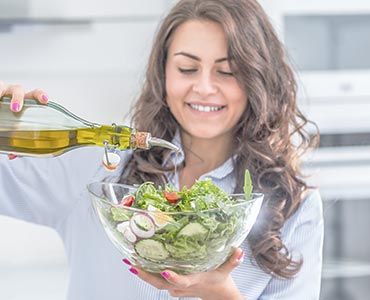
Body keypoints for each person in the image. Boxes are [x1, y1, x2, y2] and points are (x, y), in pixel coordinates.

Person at [0, 0, 324, 299]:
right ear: (163, 74)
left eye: (227, 71)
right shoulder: (97, 165)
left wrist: (221, 293)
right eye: (187, 69)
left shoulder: (293, 205)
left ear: (258, 80)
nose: (204, 88)